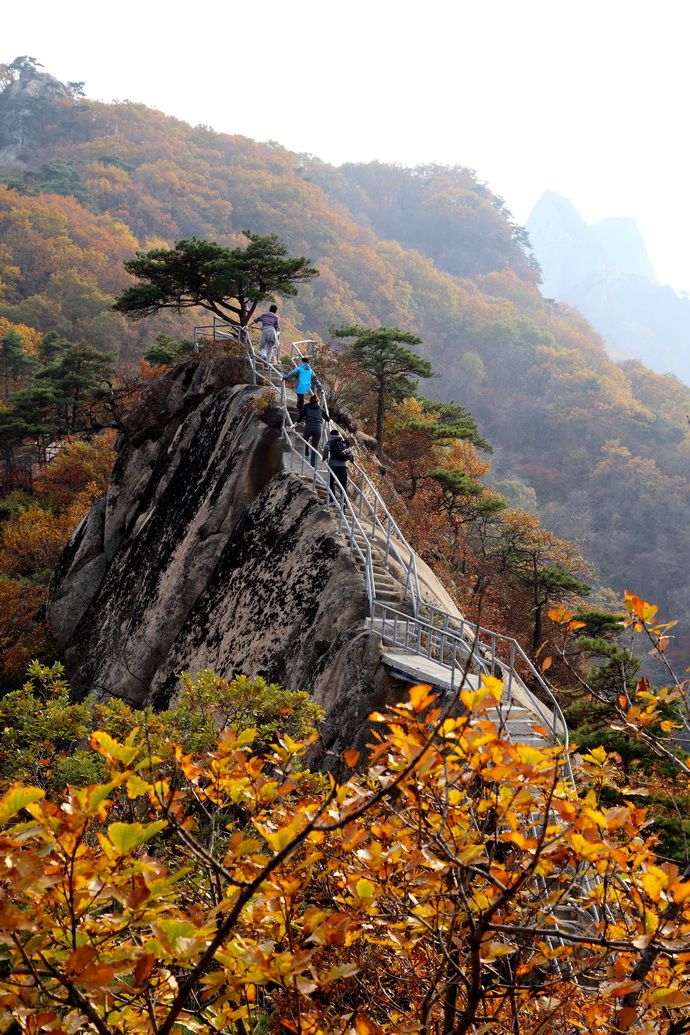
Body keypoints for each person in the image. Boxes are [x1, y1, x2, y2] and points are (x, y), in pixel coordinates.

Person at [322, 427, 353, 499]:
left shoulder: (330, 442)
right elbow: (349, 452)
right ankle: (344, 503)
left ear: (330, 435)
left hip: (333, 466)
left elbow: (326, 449)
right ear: (338, 435)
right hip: (343, 467)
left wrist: (324, 458)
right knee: (343, 485)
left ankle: (331, 499)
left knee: (330, 482)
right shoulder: (343, 442)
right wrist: (351, 460)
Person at [302, 393, 325, 465]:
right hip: (317, 427)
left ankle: (306, 455)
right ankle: (312, 464)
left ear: (310, 400)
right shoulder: (321, 409)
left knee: (305, 439)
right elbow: (327, 418)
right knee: (315, 445)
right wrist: (329, 420)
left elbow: (301, 416)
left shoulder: (306, 406)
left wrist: (296, 423)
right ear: (318, 401)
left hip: (308, 426)